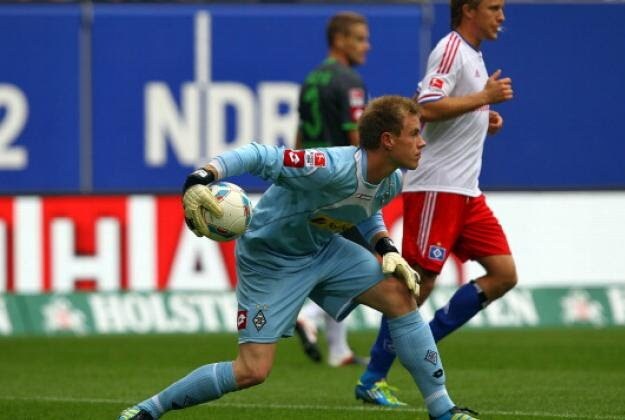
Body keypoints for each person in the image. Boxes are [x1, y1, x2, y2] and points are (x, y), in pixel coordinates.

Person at [118, 95, 480, 420]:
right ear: (388, 140)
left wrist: (385, 246)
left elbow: (366, 208)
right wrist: (200, 178)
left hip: (324, 249)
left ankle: (443, 410)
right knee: (252, 371)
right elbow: (260, 154)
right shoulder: (328, 165)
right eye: (414, 133)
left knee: (401, 295)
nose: (422, 142)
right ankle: (149, 409)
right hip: (269, 259)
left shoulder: (392, 180)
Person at [355, 0, 516, 407]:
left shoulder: (473, 55)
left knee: (503, 274)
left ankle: (421, 338)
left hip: (467, 193)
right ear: (469, 10)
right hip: (437, 188)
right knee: (417, 284)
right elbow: (426, 105)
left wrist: (482, 117)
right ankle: (373, 377)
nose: (501, 16)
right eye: (494, 8)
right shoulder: (450, 48)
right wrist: (483, 98)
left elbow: (438, 109)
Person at [293, 11, 371, 367]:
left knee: (330, 260)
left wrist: (294, 174)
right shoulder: (349, 81)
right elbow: (357, 137)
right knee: (359, 263)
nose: (366, 46)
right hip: (341, 181)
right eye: (360, 38)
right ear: (339, 40)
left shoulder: (311, 79)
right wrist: (371, 180)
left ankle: (339, 350)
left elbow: (300, 134)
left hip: (311, 179)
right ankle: (307, 313)